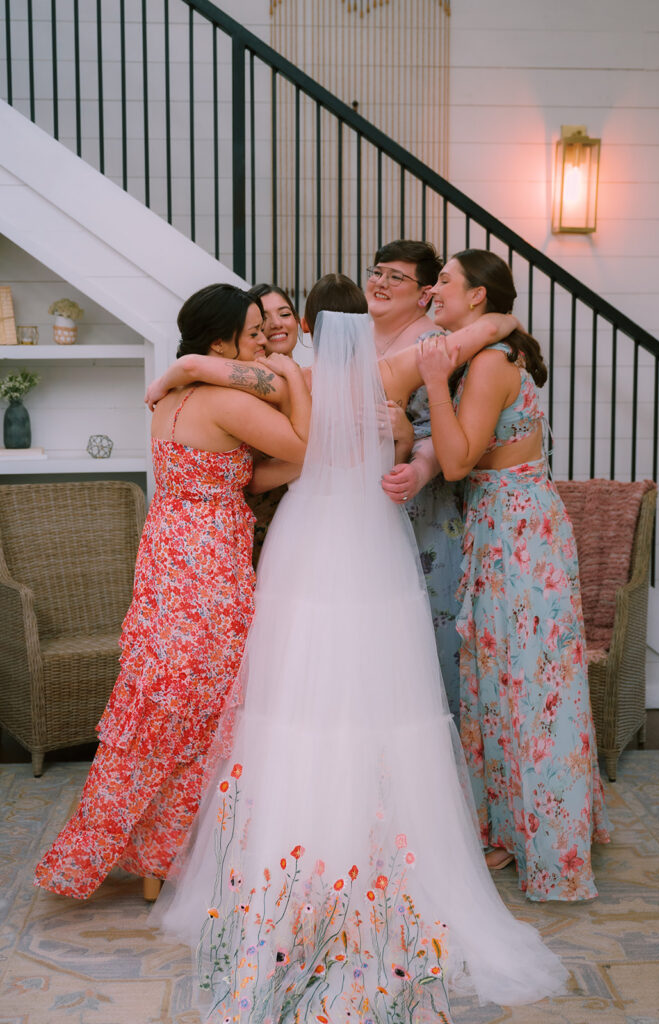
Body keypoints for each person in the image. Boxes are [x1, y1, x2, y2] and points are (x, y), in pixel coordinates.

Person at [150, 276, 568, 1023]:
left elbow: (258, 441)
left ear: (306, 325)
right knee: (380, 691)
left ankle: (289, 873)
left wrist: (183, 368)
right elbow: (465, 341)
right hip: (371, 538)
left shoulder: (290, 379)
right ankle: (385, 862)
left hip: (310, 537)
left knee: (298, 697)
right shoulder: (388, 372)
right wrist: (498, 314)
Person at [33, 283, 311, 901]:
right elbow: (304, 442)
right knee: (200, 706)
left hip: (168, 556)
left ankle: (149, 855)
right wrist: (289, 370)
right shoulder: (224, 399)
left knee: (162, 700)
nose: (264, 341)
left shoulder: (180, 397)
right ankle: (162, 854)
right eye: (253, 332)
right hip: (206, 565)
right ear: (221, 343)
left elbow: (239, 474)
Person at [413, 249, 610, 900]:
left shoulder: (491, 364)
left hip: (517, 536)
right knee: (503, 685)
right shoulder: (496, 349)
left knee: (530, 690)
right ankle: (512, 830)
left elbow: (458, 460)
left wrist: (437, 381)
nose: (434, 288)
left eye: (445, 281)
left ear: (479, 298)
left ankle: (549, 846)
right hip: (511, 531)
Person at [367, 239, 464, 722]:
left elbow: (444, 428)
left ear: (424, 293)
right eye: (377, 271)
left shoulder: (433, 343)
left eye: (394, 277)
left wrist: (417, 461)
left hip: (422, 502)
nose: (379, 283)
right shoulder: (355, 336)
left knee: (425, 628)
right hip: (361, 505)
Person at [243, 283, 303, 565]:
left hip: (315, 520)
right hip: (265, 526)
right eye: (265, 318)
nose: (277, 324)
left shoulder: (309, 378)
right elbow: (251, 479)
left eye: (285, 313)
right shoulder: (250, 386)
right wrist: (326, 455)